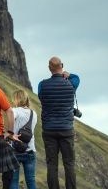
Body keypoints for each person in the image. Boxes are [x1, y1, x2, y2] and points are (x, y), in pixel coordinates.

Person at [38, 57, 80, 189]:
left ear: (49, 68)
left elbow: (41, 96)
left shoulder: (42, 85)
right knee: (69, 164)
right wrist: (66, 74)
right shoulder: (71, 83)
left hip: (49, 130)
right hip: (66, 129)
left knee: (51, 165)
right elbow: (76, 77)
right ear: (62, 66)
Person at [10, 89, 38, 189]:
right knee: (31, 181)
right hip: (30, 150)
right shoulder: (33, 113)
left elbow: (11, 118)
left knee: (13, 181)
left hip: (15, 151)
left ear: (16, 99)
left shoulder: (14, 111)